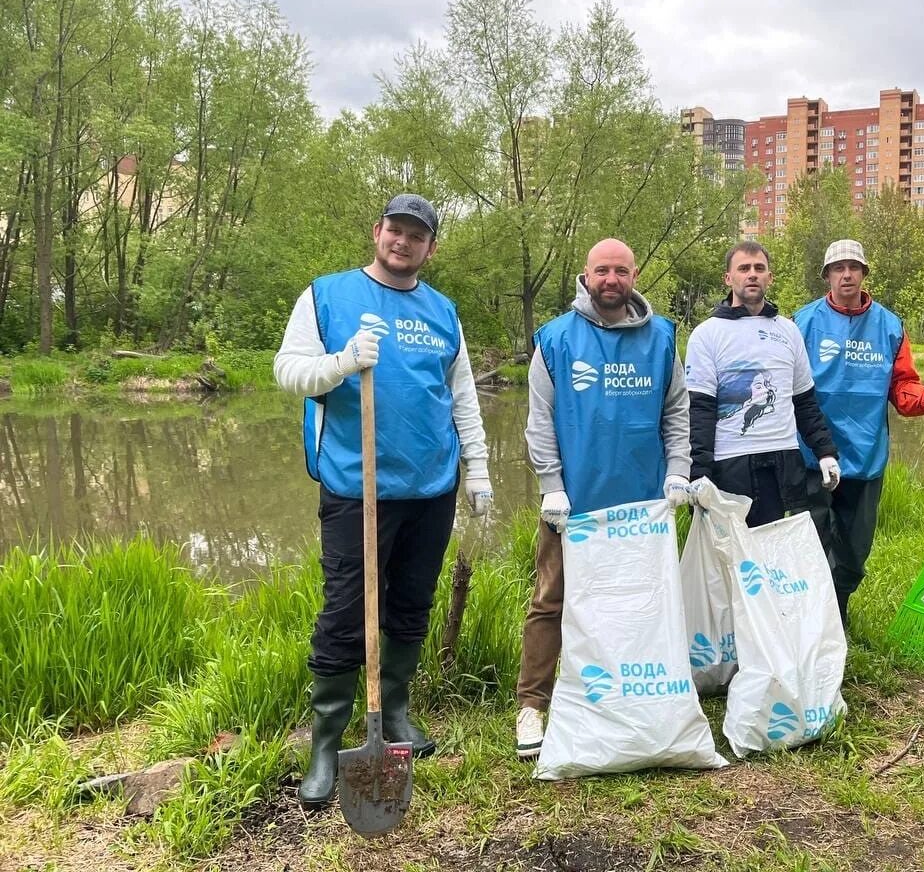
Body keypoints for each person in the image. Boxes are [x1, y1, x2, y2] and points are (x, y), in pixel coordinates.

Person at [274, 193, 493, 809]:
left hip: (431, 484)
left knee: (412, 602)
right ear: (378, 232)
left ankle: (393, 713)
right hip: (356, 484)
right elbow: (288, 372)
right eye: (395, 230)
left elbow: (462, 397)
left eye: (416, 236)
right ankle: (326, 741)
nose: (403, 242)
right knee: (345, 608)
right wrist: (342, 363)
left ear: (430, 247)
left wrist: (477, 469)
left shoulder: (443, 311)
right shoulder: (327, 296)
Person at [516, 238, 692, 759]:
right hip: (573, 506)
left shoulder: (661, 339)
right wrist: (551, 485)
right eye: (601, 271)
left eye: (620, 271)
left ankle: (630, 698)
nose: (611, 280)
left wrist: (678, 471)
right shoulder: (555, 340)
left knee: (641, 604)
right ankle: (532, 705)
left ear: (634, 275)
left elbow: (676, 412)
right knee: (550, 601)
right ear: (585, 276)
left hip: (642, 507)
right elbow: (539, 422)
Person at [793, 239, 924, 628]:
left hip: (866, 457)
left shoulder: (889, 326)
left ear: (864, 273)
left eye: (853, 267)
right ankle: (815, 623)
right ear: (827, 276)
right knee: (812, 545)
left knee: (854, 550)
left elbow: (903, 390)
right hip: (811, 456)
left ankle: (840, 607)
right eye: (838, 268)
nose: (846, 274)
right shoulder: (803, 323)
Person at [685, 240, 840, 527]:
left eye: (759, 268)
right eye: (744, 268)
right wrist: (698, 472)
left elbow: (804, 402)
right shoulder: (706, 334)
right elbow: (699, 411)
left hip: (781, 462)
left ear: (770, 277)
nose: (752, 274)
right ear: (728, 278)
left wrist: (825, 452)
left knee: (772, 558)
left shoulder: (788, 331)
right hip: (729, 463)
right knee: (729, 559)